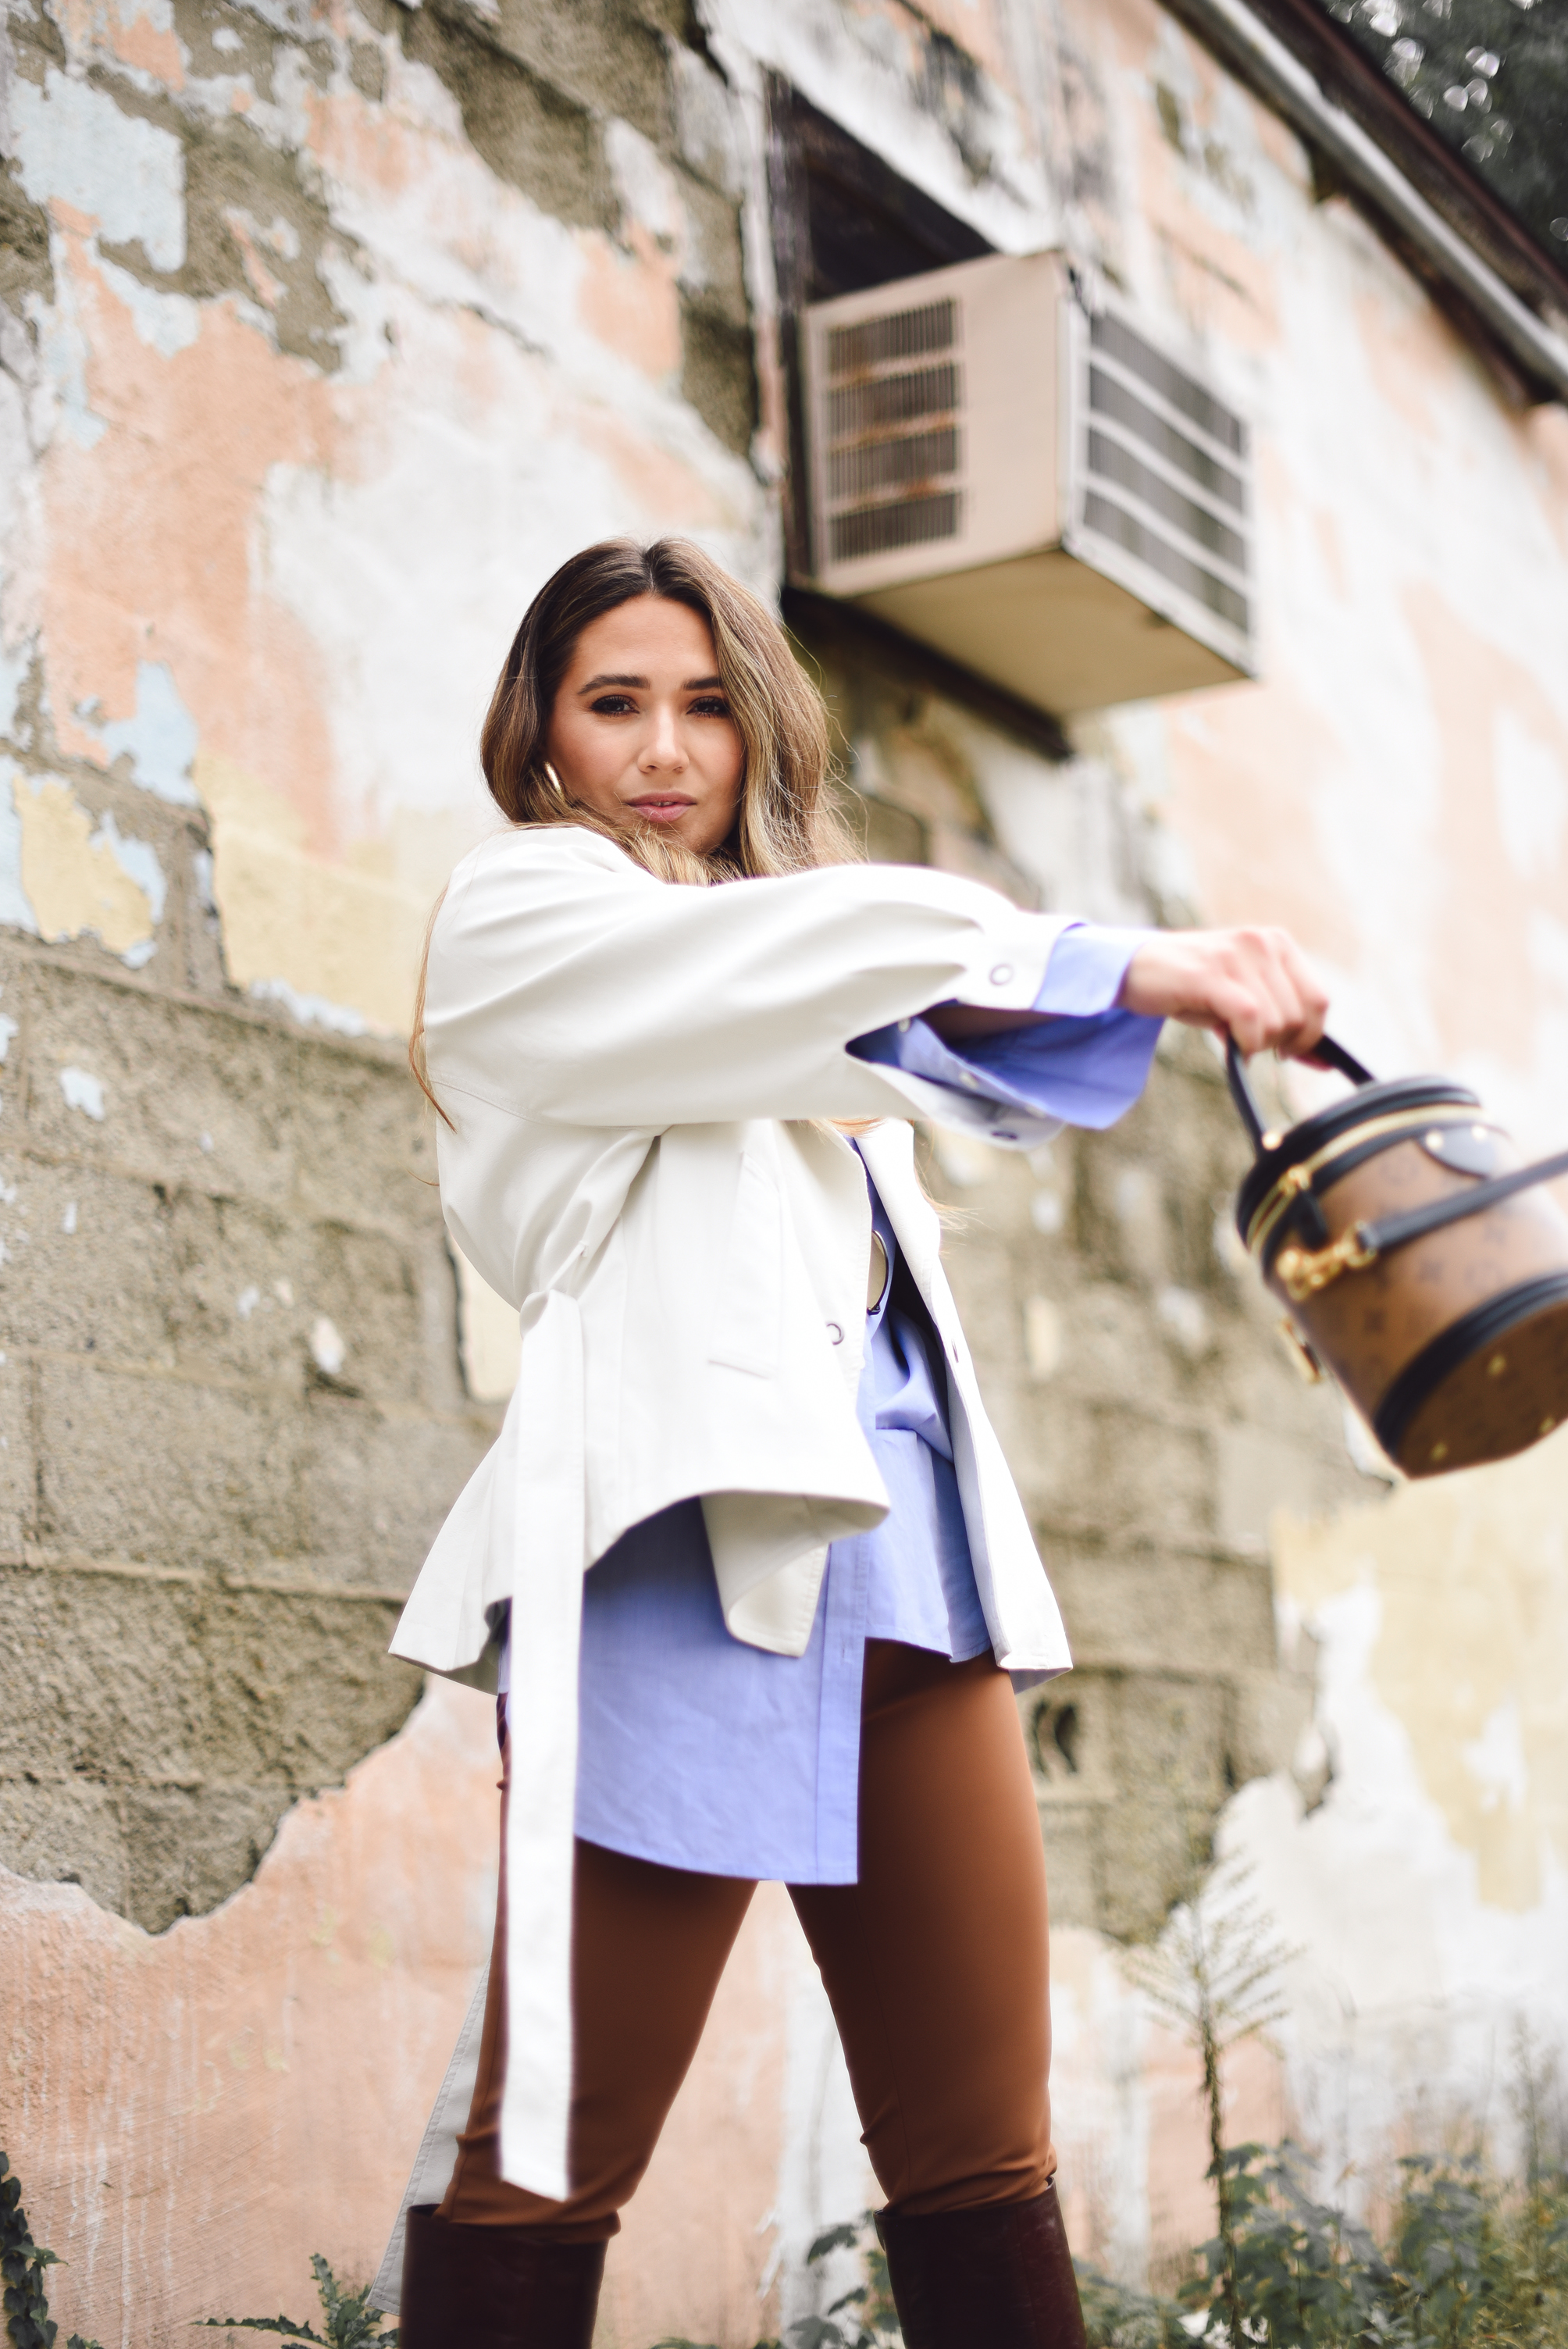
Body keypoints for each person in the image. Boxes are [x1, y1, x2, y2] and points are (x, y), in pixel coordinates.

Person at [380, 537, 1327, 2349]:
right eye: (615, 703)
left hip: (910, 1579)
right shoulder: (533, 920)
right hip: (678, 1573)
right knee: (549, 2153)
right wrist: (1131, 960)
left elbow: (860, 1009)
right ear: (544, 734)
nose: (666, 745)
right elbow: (778, 967)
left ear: (760, 732)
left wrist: (1093, 984)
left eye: (709, 705)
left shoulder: (798, 987)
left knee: (982, 2158)